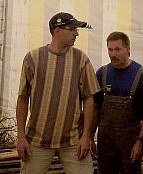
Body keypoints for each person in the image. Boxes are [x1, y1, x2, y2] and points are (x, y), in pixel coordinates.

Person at [16, 12, 99, 174]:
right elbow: (22, 98)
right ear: (57, 31)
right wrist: (20, 137)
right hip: (37, 140)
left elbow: (90, 98)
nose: (76, 33)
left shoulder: (81, 59)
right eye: (72, 29)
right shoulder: (33, 58)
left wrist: (86, 136)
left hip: (73, 141)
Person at [94, 31, 143, 174]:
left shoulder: (142, 75)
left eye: (118, 49)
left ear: (128, 50)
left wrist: (139, 142)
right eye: (110, 49)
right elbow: (94, 108)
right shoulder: (102, 73)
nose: (113, 54)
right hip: (105, 138)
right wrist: (88, 136)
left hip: (130, 139)